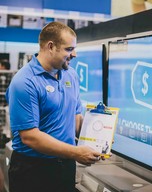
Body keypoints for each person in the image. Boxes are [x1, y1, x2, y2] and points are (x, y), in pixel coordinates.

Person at [5, 21, 103, 192]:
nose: (75, 54)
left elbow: (75, 116)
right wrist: (76, 152)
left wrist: (98, 138)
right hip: (33, 171)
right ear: (50, 46)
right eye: (69, 49)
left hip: (65, 166)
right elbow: (30, 136)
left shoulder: (71, 75)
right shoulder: (25, 81)